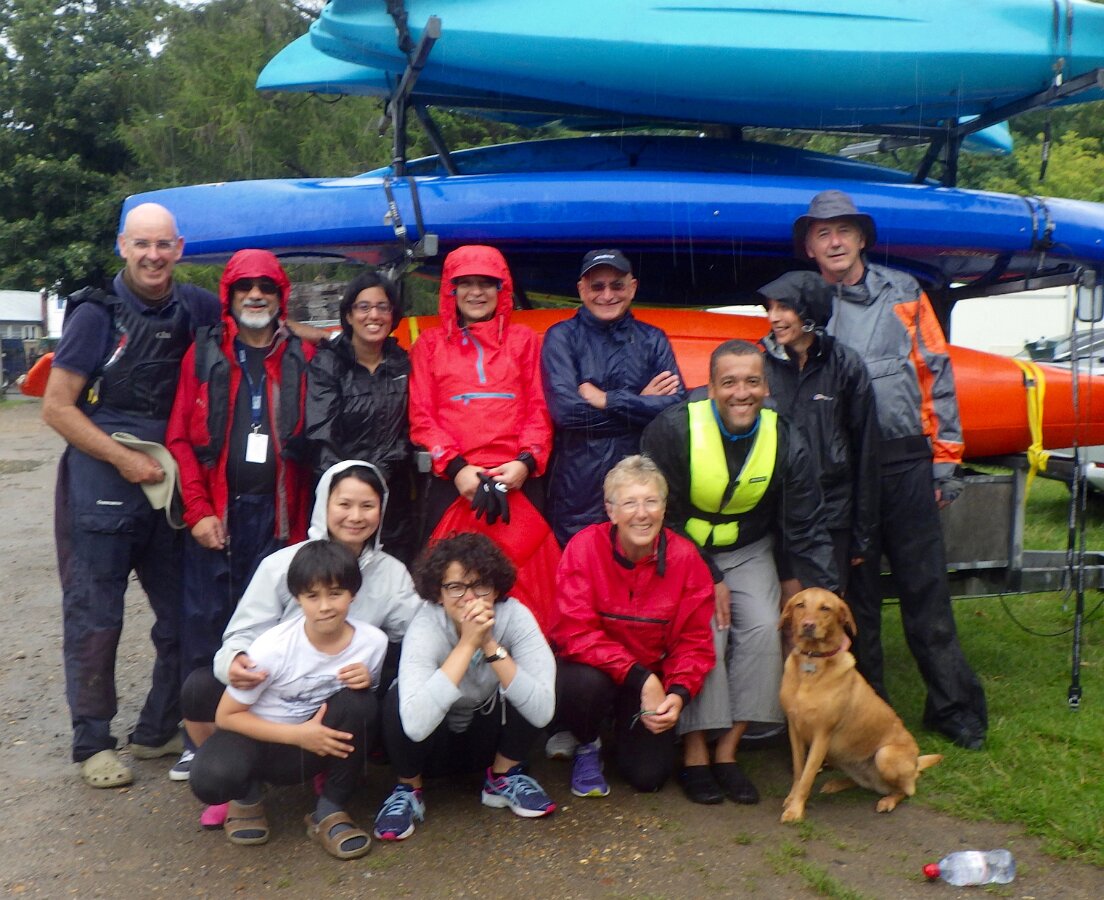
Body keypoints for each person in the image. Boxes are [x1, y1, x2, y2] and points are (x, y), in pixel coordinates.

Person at [794, 189, 988, 749]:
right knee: (857, 602)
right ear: (809, 248)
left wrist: (945, 462)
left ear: (861, 239)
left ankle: (953, 708)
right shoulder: (803, 301)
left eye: (843, 231)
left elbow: (936, 373)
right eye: (822, 233)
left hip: (905, 461)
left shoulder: (903, 292)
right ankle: (867, 712)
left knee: (925, 590)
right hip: (843, 473)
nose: (834, 241)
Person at [43, 202, 220, 788]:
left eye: (163, 244)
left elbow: (259, 325)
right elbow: (57, 407)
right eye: (142, 244)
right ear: (123, 246)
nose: (153, 255)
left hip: (168, 484)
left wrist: (331, 338)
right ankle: (92, 743)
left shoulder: (197, 307)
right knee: (96, 619)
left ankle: (155, 729)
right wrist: (122, 459)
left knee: (184, 617)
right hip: (102, 482)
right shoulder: (95, 315)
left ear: (180, 248)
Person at [642, 340, 836, 805]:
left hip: (749, 548)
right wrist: (709, 574)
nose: (741, 393)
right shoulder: (672, 429)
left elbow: (805, 523)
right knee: (709, 629)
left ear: (766, 387)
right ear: (710, 388)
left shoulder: (785, 436)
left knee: (764, 630)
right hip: (684, 551)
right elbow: (657, 513)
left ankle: (728, 751)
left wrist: (826, 598)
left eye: (752, 381)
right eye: (728, 382)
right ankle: (695, 754)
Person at [181, 460, 421, 826]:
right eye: (344, 504)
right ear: (324, 503)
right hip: (271, 686)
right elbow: (244, 630)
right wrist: (235, 659)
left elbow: (416, 631)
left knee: (364, 700)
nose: (355, 516)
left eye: (367, 506)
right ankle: (240, 787)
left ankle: (330, 778)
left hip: (330, 691)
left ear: (381, 509)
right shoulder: (282, 564)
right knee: (199, 687)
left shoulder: (391, 573)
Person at [166, 249, 314, 780]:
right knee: (205, 625)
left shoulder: (302, 355)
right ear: (228, 296)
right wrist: (198, 510)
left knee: (275, 627)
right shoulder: (203, 355)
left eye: (266, 287)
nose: (255, 295)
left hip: (280, 517)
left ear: (280, 296)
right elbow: (179, 439)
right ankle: (199, 736)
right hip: (217, 514)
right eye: (245, 287)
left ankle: (264, 732)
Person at [189, 539, 386, 860]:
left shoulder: (373, 642)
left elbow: (360, 708)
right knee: (211, 779)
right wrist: (298, 734)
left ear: (353, 594)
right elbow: (227, 716)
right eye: (313, 596)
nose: (325, 606)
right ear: (297, 598)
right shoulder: (272, 647)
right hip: (261, 741)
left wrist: (367, 681)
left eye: (336, 593)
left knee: (361, 703)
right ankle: (247, 795)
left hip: (315, 745)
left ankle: (330, 809)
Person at [408, 244, 558, 630]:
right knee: (451, 585)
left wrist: (525, 462)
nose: (476, 292)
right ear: (451, 290)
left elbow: (539, 409)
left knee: (530, 588)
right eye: (466, 283)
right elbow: (422, 417)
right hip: (455, 483)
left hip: (518, 482)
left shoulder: (525, 341)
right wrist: (456, 468)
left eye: (486, 283)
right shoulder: (428, 345)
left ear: (501, 289)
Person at [373, 533, 556, 842]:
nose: (469, 598)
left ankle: (503, 777)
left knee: (537, 678)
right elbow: (416, 725)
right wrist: (468, 643)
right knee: (398, 695)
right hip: (433, 743)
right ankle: (408, 789)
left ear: (495, 589)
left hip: (486, 736)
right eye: (456, 587)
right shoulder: (426, 624)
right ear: (438, 593)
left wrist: (489, 644)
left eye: (480, 585)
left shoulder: (515, 616)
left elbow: (542, 711)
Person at [552, 456, 715, 797]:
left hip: (649, 678)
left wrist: (678, 693)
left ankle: (624, 730)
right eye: (629, 503)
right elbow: (574, 632)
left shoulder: (686, 559)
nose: (642, 514)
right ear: (611, 511)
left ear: (664, 509)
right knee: (581, 685)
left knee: (648, 777)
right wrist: (640, 676)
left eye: (651, 502)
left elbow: (694, 641)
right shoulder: (584, 548)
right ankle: (587, 743)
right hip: (598, 672)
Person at [540, 249, 684, 547]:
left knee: (639, 564)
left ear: (632, 287)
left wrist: (610, 400)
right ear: (581, 289)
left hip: (640, 482)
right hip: (577, 487)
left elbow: (675, 410)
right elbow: (566, 413)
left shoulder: (653, 339)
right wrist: (642, 404)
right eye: (597, 286)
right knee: (580, 565)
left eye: (617, 285)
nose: (607, 295)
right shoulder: (561, 337)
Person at [757, 269, 880, 597]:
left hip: (831, 515)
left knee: (824, 609)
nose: (773, 318)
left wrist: (863, 534)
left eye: (784, 307)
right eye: (770, 308)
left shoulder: (846, 365)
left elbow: (866, 452)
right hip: (776, 514)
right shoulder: (760, 367)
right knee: (784, 610)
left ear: (809, 310)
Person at [305, 270, 415, 563]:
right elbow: (321, 433)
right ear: (349, 315)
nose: (373, 315)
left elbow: (409, 429)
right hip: (341, 496)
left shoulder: (403, 363)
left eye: (382, 307)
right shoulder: (328, 363)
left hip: (393, 498)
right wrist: (351, 487)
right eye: (363, 307)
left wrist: (380, 477)